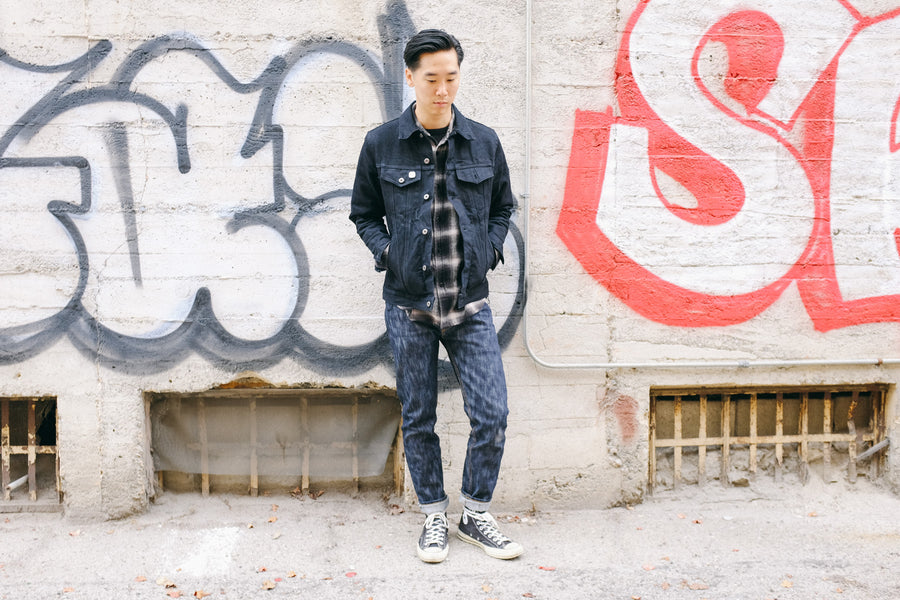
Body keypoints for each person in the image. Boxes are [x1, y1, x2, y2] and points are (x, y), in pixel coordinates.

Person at [350, 29, 522, 563]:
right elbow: (363, 213)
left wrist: (490, 249)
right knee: (419, 416)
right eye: (432, 79)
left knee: (491, 413)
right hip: (410, 306)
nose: (443, 89)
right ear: (410, 77)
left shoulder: (484, 141)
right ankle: (433, 516)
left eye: (451, 77)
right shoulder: (382, 143)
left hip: (469, 304)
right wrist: (390, 253)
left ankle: (473, 512)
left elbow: (501, 208)